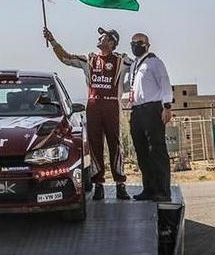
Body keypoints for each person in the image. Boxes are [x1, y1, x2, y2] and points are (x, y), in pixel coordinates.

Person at [44, 26, 132, 200]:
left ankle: (120, 184)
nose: (99, 40)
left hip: (112, 106)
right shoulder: (89, 59)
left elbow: (139, 69)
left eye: (103, 37)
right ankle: (99, 184)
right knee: (94, 145)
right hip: (93, 106)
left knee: (116, 145)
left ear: (112, 42)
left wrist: (131, 89)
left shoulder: (122, 60)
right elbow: (66, 58)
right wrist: (53, 42)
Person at [127, 32, 174, 202]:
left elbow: (165, 83)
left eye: (139, 42)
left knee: (157, 150)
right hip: (137, 111)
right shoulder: (134, 65)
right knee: (142, 152)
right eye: (132, 42)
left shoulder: (154, 62)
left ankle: (162, 190)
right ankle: (149, 188)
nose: (135, 45)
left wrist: (167, 106)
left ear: (147, 45)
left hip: (153, 109)